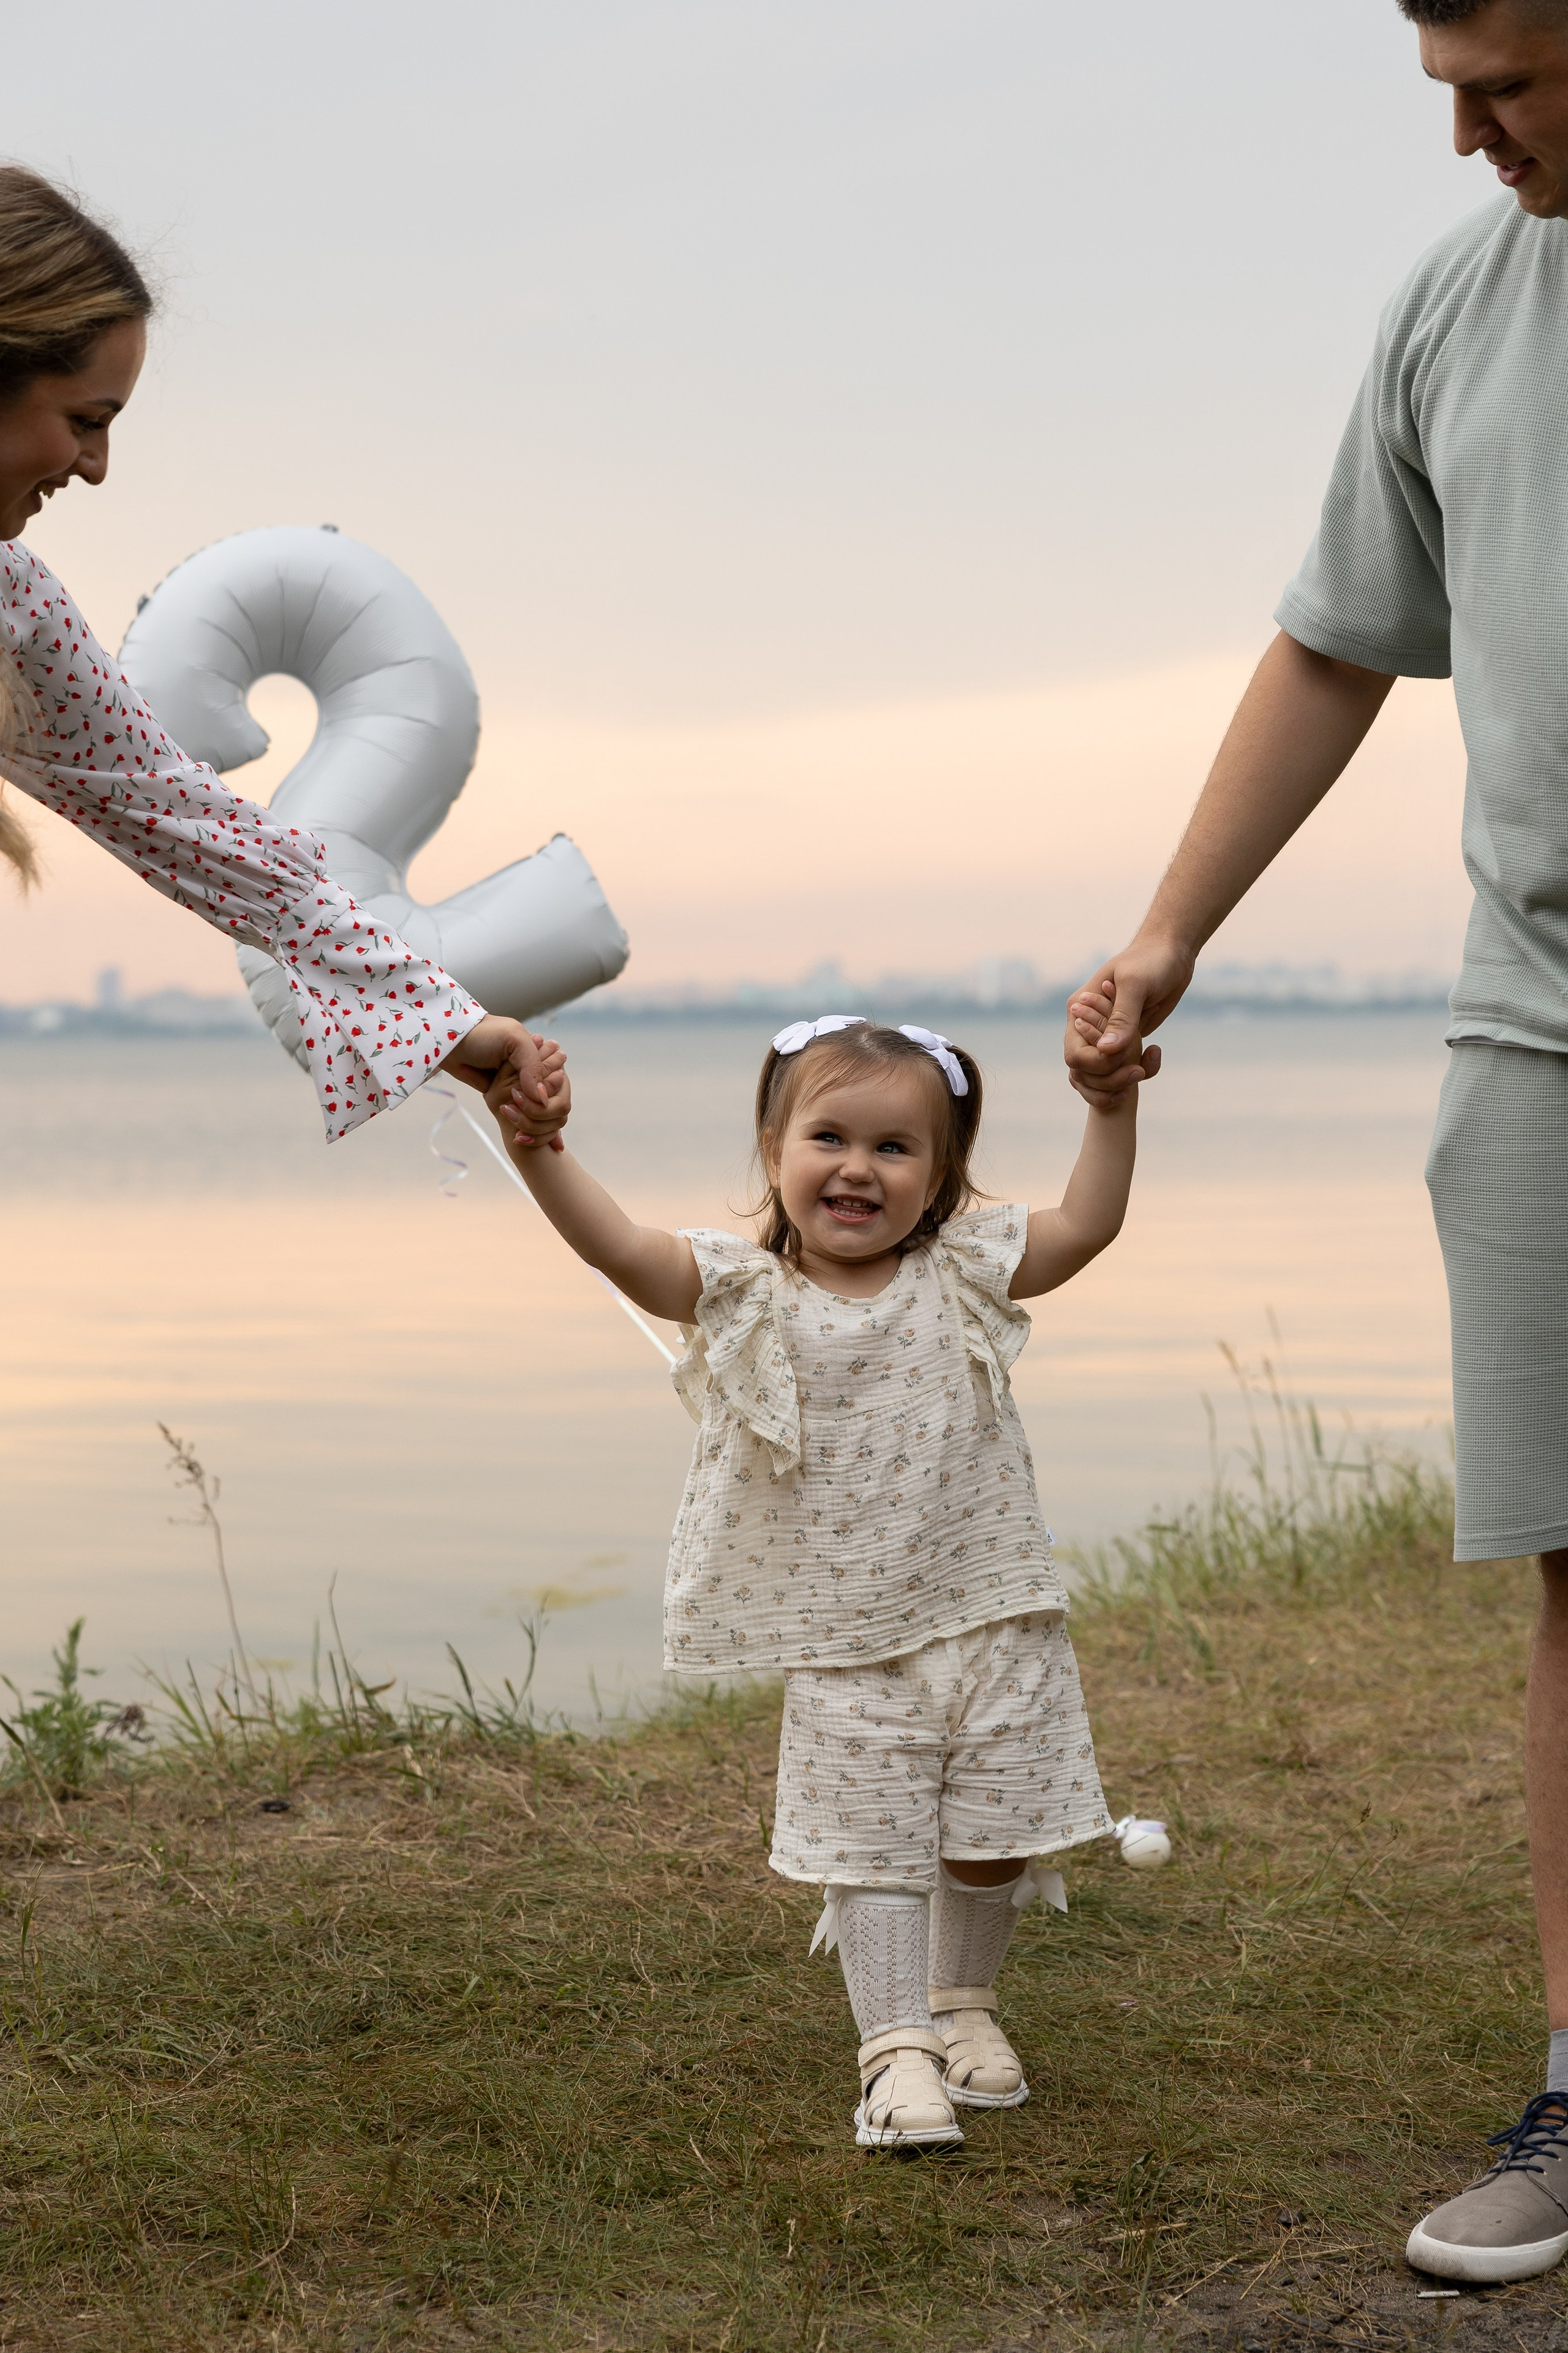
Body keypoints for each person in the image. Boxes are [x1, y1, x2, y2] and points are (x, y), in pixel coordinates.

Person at [1064, 0, 1568, 2288]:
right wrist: (1173, 931)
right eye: (1446, 83)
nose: (1468, 134)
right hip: (1536, 1033)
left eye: (1518, 82)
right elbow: (1336, 644)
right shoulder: (1459, 295)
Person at [488, 1005, 1152, 2147]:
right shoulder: (745, 1291)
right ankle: (893, 2050)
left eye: (896, 1148)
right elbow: (621, 1248)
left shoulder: (964, 1273)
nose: (858, 1167)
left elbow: (1088, 1222)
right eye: (829, 1137)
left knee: (994, 1825)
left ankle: (963, 2002)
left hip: (992, 1605)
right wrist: (540, 1150)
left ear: (941, 1177)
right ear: (775, 1147)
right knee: (873, 1841)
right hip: (845, 1632)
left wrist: (1111, 1105)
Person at [0, 162, 566, 1143]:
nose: (96, 469)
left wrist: (449, 1023)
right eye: (85, 422)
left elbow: (192, 823)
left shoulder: (15, 602)